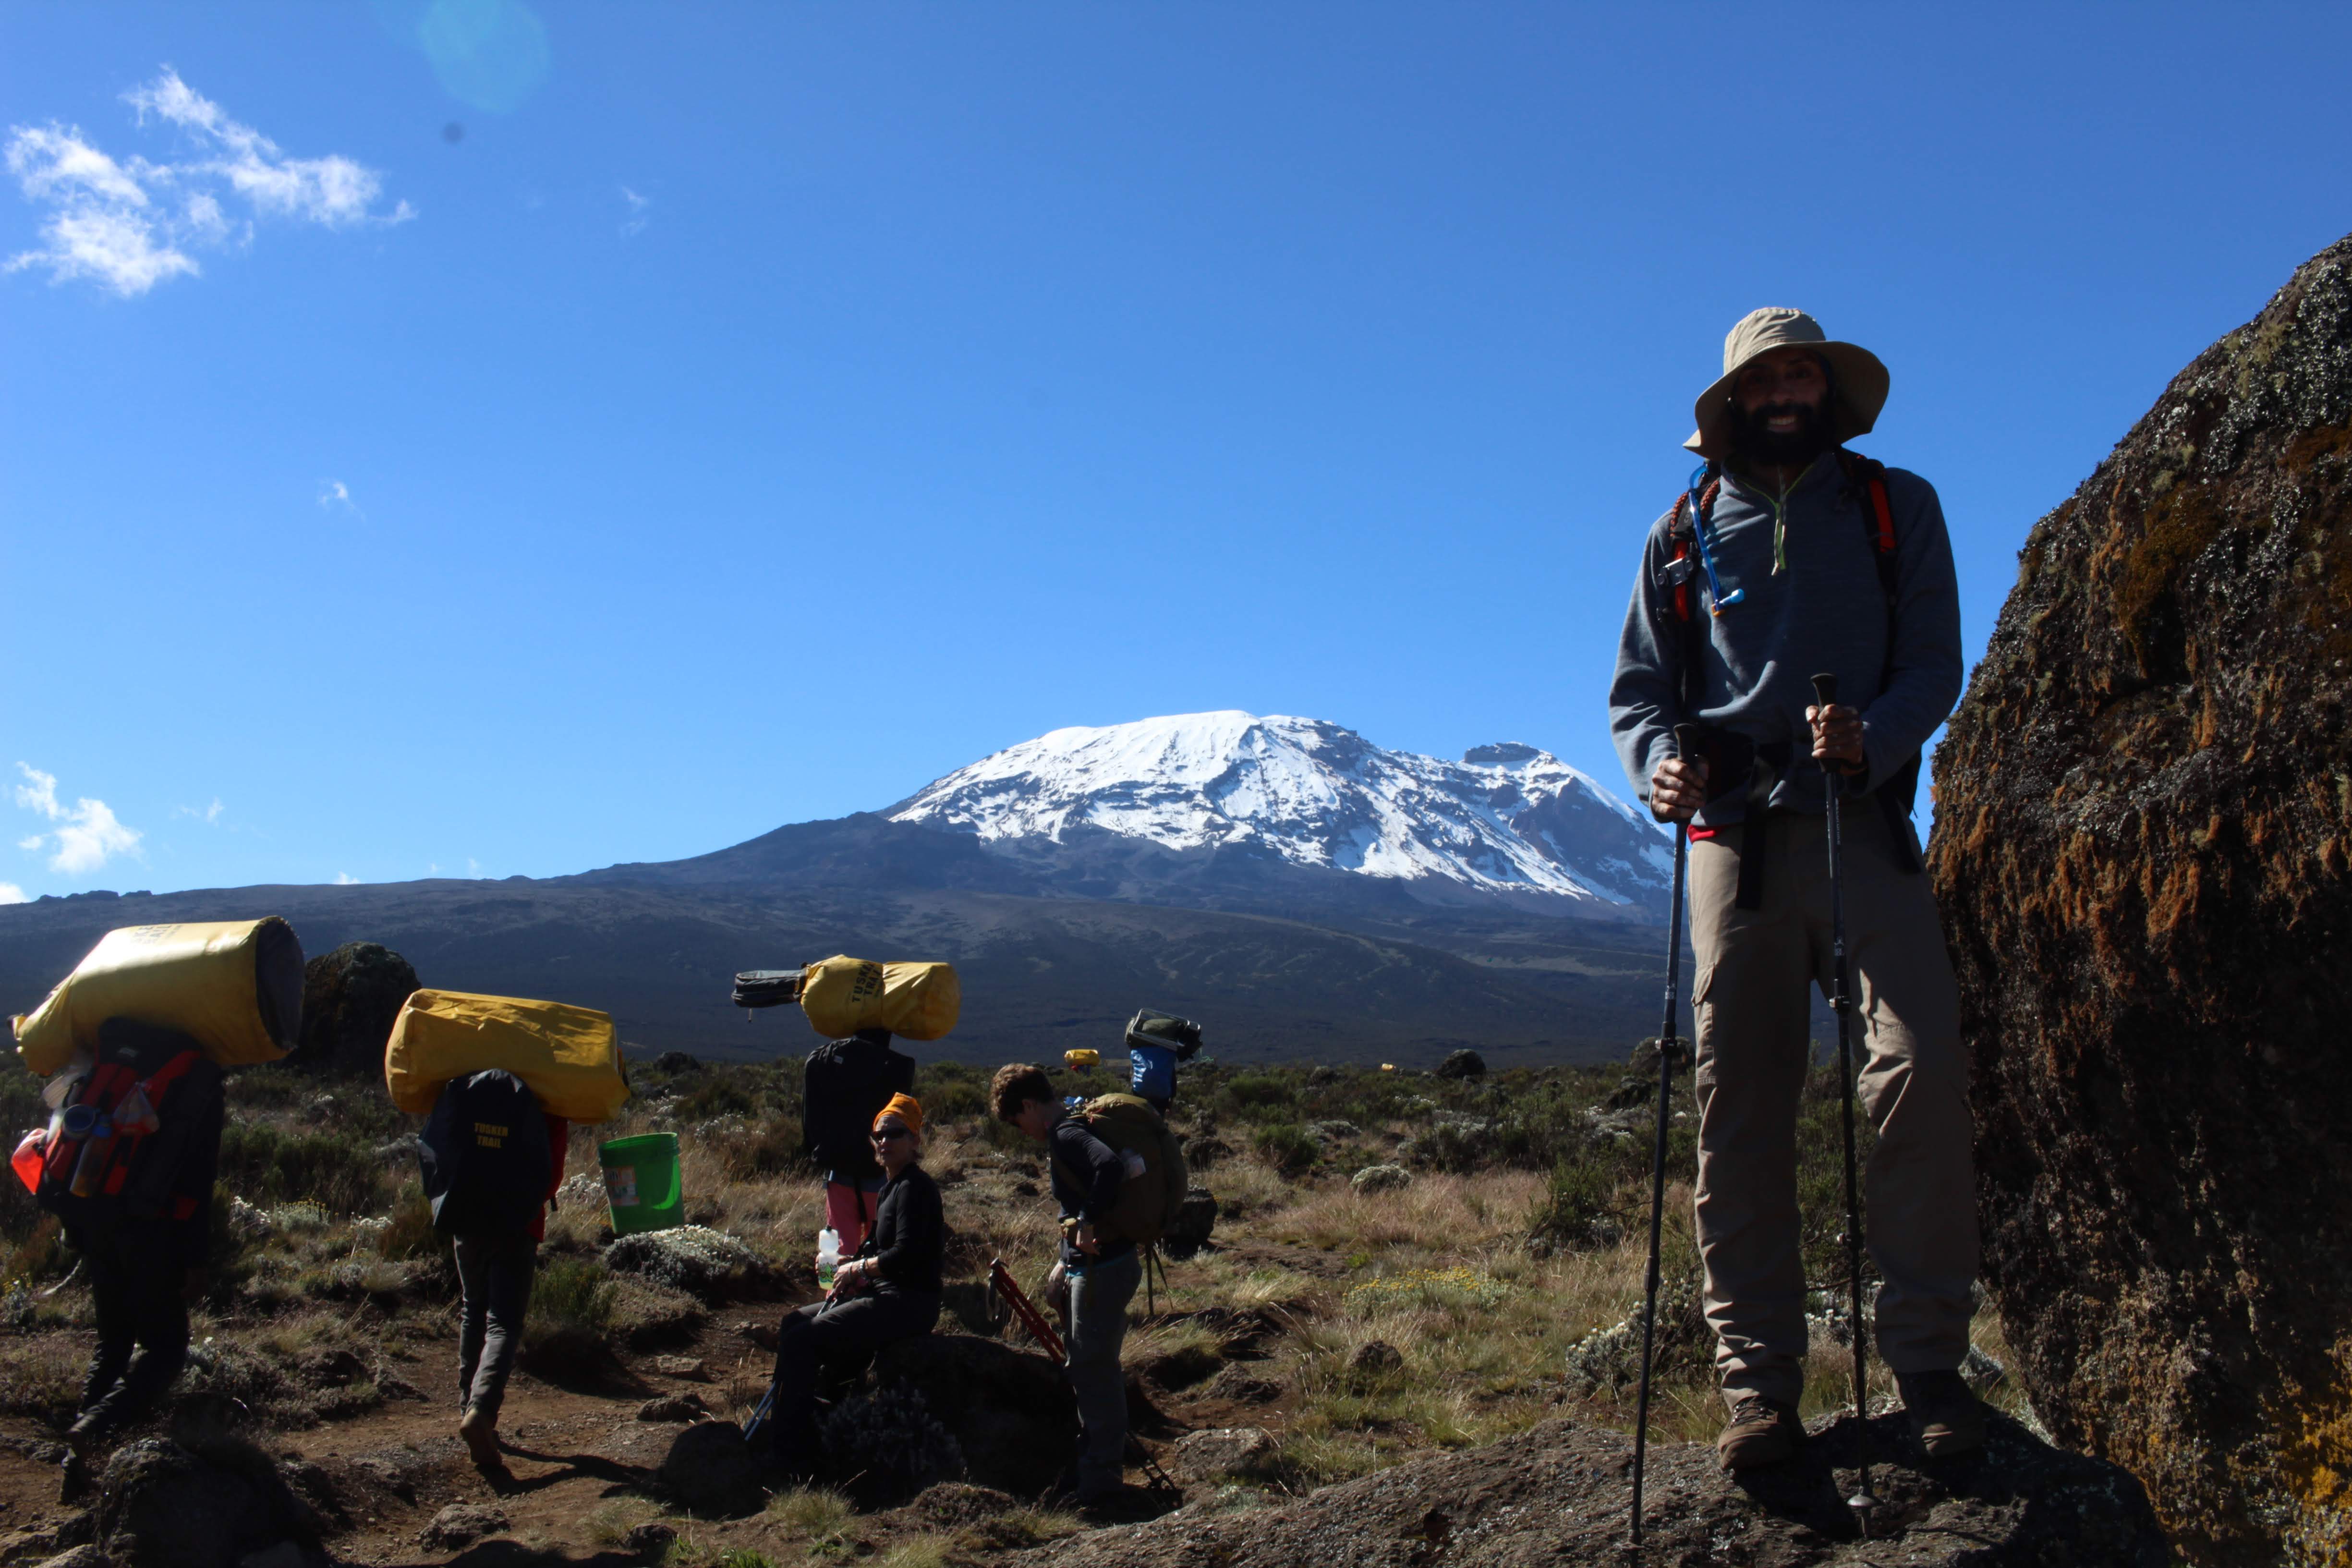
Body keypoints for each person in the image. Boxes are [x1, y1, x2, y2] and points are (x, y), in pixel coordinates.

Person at [1608, 307, 1981, 1469]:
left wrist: (1867, 734)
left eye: (1803, 372)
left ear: (1827, 389)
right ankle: (1756, 1391)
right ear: (1731, 399)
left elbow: (1932, 659)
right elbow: (1638, 692)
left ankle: (1926, 1364)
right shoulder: (1677, 533)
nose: (1786, 390)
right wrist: (1655, 765)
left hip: (1858, 823)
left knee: (1920, 1072)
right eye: (1766, 376)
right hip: (1734, 839)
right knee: (1738, 1110)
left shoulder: (1890, 506)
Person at [50, 1020, 225, 1501]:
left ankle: (76, 1472)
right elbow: (196, 1181)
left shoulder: (116, 1058)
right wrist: (195, 1259)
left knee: (113, 1342)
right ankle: (97, 1426)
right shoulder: (198, 1079)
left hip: (93, 1212)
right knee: (167, 1347)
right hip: (151, 1228)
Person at [765, 1093, 943, 1472]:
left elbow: (908, 1254)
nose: (885, 1141)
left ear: (915, 1141)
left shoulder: (915, 1188)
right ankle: (799, 1419)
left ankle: (789, 1451)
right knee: (794, 1323)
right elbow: (879, 1249)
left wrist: (858, 1270)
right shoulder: (891, 1187)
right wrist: (846, 1262)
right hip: (887, 1295)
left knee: (802, 1340)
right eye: (879, 1134)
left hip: (907, 1302)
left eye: (896, 1133)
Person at [990, 1063, 1136, 1507]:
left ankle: (1103, 1481)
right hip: (1094, 1268)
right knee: (1088, 1368)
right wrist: (1063, 1262)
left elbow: (1108, 1168)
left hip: (1103, 1271)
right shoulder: (1071, 1127)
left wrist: (1088, 1222)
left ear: (1030, 1105)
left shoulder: (1066, 1135)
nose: (1023, 1131)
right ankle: (1094, 1465)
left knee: (1094, 1372)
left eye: (1019, 1121)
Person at [443, 1091, 568, 1471]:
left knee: (473, 1308)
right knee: (504, 1322)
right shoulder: (548, 1095)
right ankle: (481, 1411)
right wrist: (527, 1207)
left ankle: (469, 1405)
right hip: (518, 1224)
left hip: (466, 1217)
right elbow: (552, 1171)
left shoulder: (470, 1082)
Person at [802, 1027, 916, 1255]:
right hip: (881, 1176)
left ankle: (833, 1289)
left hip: (839, 1174)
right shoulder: (897, 1067)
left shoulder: (823, 1059)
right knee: (880, 1246)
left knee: (834, 1246)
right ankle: (868, 1287)